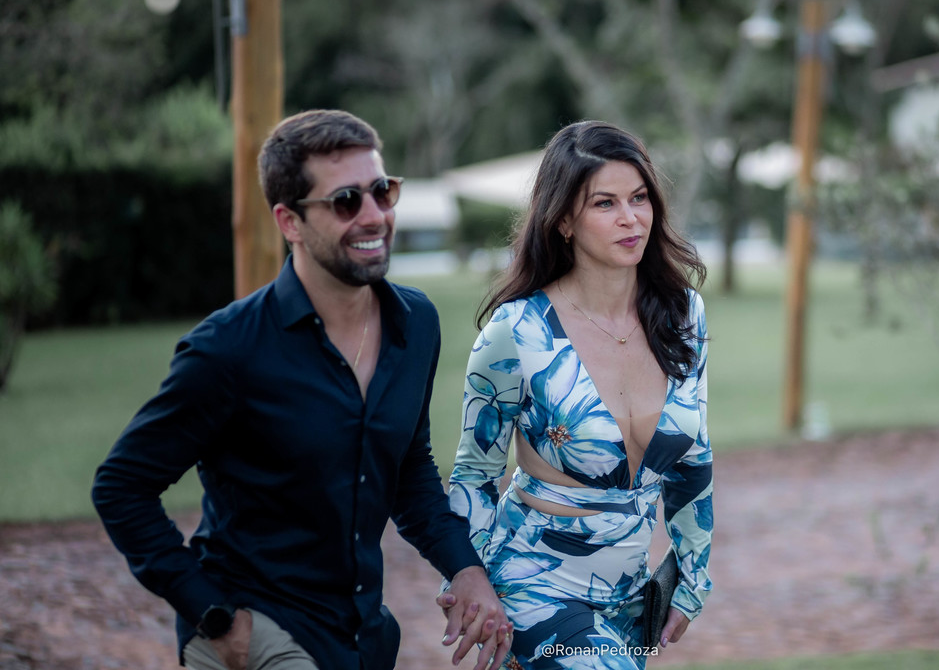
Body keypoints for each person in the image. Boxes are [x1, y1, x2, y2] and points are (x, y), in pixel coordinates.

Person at [92, 109, 511, 670]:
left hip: (360, 635)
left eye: (382, 192)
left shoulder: (416, 324)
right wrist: (213, 617)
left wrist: (465, 568)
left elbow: (408, 472)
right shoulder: (228, 348)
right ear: (290, 222)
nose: (374, 216)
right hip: (258, 628)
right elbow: (121, 486)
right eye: (346, 201)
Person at [443, 121, 713, 668]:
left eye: (639, 198)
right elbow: (474, 475)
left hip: (632, 598)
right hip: (534, 584)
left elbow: (694, 457)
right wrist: (469, 584)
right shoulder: (516, 332)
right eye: (605, 203)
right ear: (563, 220)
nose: (630, 218)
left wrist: (692, 574)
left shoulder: (682, 313)